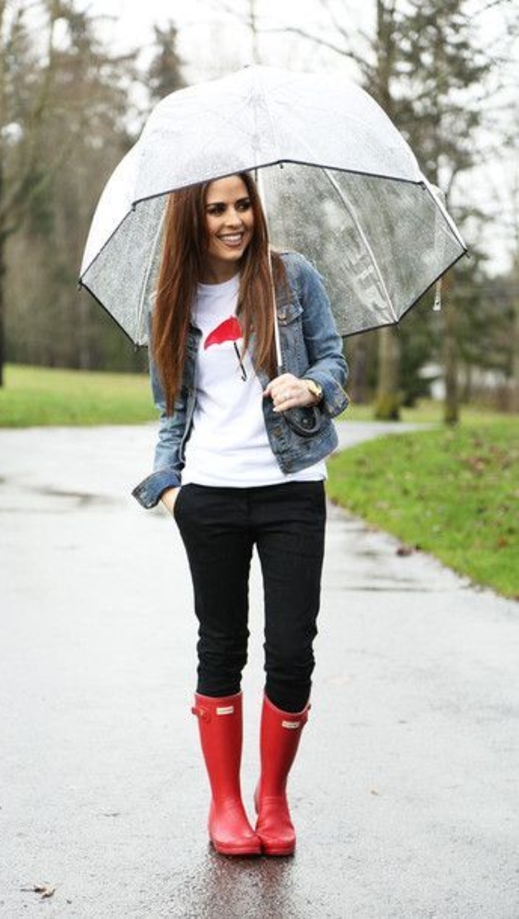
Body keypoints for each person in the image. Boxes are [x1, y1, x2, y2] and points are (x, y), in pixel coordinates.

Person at [132, 172, 348, 857]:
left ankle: (272, 795)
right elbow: (171, 409)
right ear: (191, 220)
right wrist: (170, 489)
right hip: (212, 496)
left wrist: (312, 382)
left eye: (242, 204)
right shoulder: (172, 299)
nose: (233, 220)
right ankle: (225, 802)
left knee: (291, 649)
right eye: (216, 209)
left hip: (292, 489)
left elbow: (338, 362)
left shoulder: (293, 278)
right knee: (220, 645)